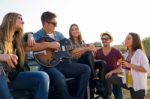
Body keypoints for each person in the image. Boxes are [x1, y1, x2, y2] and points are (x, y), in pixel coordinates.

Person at [33, 11, 91, 99]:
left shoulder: (59, 34)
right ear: (45, 23)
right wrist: (49, 45)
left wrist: (86, 47)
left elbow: (70, 49)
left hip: (63, 64)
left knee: (86, 69)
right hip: (48, 67)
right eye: (54, 23)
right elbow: (33, 49)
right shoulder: (37, 35)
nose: (56, 25)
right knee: (59, 76)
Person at [0, 12, 49, 99]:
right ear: (11, 19)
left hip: (15, 77)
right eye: (20, 18)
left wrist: (30, 35)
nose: (23, 22)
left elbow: (34, 45)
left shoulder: (18, 38)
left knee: (43, 77)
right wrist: (2, 56)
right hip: (2, 77)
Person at [106, 32, 150, 99]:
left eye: (128, 38)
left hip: (137, 86)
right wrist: (112, 71)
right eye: (126, 38)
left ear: (134, 41)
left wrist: (130, 65)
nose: (125, 40)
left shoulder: (139, 53)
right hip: (127, 82)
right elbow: (121, 68)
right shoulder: (126, 54)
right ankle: (107, 96)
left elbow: (146, 69)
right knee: (109, 77)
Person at [95, 32, 123, 99]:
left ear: (110, 40)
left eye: (106, 39)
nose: (104, 40)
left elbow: (122, 66)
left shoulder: (116, 52)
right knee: (106, 97)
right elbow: (95, 65)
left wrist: (112, 71)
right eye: (102, 39)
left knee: (119, 97)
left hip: (114, 78)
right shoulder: (97, 52)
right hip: (103, 79)